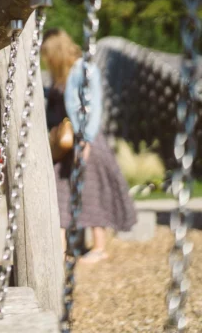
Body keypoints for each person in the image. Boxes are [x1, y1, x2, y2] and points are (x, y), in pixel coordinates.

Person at [41, 28, 137, 263]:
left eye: (48, 54)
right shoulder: (59, 76)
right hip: (66, 145)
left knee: (93, 191)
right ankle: (61, 247)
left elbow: (93, 108)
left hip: (86, 141)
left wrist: (86, 142)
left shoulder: (84, 70)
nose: (46, 60)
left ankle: (99, 247)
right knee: (59, 192)